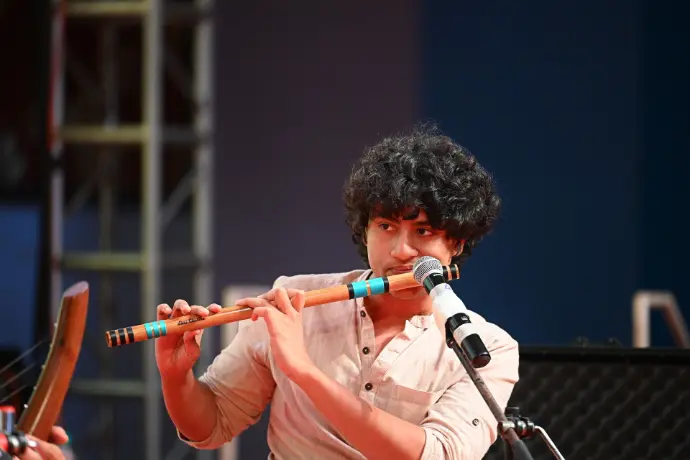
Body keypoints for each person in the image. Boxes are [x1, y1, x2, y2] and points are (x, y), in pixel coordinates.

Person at [155, 124, 520, 459]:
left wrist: (303, 371)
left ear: (455, 243)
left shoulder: (489, 348)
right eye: (386, 226)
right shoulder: (293, 298)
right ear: (365, 231)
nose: (401, 251)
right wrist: (176, 377)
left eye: (423, 232)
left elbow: (441, 455)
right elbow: (212, 424)